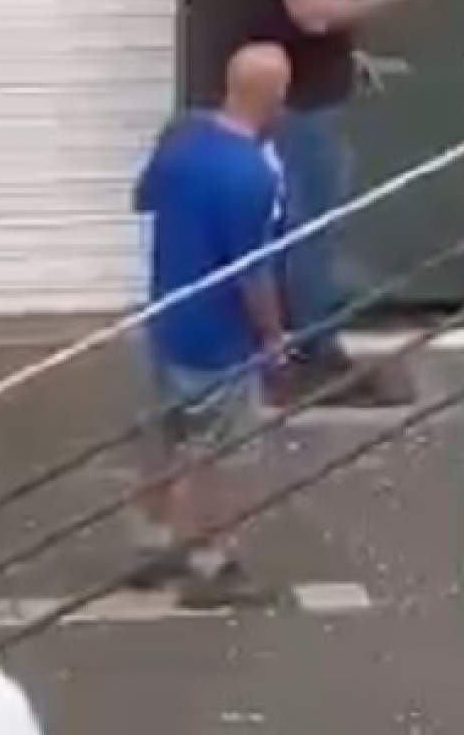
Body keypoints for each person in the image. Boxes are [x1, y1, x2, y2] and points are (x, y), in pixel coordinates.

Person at [234, 0, 426, 406]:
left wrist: (350, 56)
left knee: (297, 227)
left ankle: (298, 348)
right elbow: (309, 13)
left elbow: (289, 14)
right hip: (302, 105)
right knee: (308, 230)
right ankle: (312, 359)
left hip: (293, 90)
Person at [129, 43, 293, 609]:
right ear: (273, 97)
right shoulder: (252, 176)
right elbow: (254, 274)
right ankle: (214, 562)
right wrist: (273, 337)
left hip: (166, 318)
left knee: (167, 440)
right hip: (220, 340)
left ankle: (154, 547)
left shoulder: (182, 143)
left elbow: (141, 200)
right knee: (224, 453)